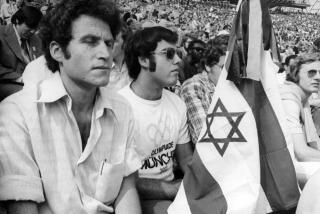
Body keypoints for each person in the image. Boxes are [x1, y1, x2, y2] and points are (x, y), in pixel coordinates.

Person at [0, 0, 142, 213]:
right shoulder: (18, 114)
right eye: (90, 42)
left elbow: (127, 191)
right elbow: (23, 207)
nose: (105, 54)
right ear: (57, 51)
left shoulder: (123, 109)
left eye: (109, 43)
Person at [118, 26, 193, 214]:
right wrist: (170, 189)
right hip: (133, 197)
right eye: (168, 54)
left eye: (176, 53)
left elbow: (186, 159)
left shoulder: (177, 103)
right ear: (143, 60)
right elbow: (122, 179)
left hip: (171, 190)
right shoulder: (119, 107)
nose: (178, 60)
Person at [280, 53, 320, 187]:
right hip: (283, 167)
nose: (318, 77)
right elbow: (301, 152)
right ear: (295, 74)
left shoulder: (303, 100)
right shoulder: (288, 100)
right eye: (311, 73)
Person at [180, 34, 228, 145]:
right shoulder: (193, 87)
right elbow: (206, 140)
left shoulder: (236, 85)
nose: (230, 74)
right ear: (208, 66)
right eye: (224, 67)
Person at [0, 5, 42, 101]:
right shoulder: (1, 34)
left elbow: (41, 60)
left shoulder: (36, 38)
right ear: (18, 21)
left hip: (34, 80)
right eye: (30, 26)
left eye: (36, 28)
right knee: (31, 95)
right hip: (8, 81)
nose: (33, 31)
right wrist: (20, 78)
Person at [105, 23, 132, 91]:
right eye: (107, 41)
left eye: (114, 41)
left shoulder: (135, 66)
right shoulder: (102, 67)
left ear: (125, 43)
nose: (109, 45)